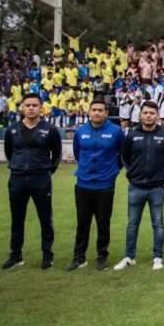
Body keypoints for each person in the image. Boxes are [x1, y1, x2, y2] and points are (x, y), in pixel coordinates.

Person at [1, 92, 63, 270]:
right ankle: (16, 256)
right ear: (22, 107)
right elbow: (9, 152)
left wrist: (46, 170)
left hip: (41, 179)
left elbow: (57, 155)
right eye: (27, 105)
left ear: (41, 108)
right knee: (17, 219)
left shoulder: (50, 130)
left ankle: (47, 256)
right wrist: (18, 167)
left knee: (45, 219)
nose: (30, 108)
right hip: (17, 178)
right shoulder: (12, 130)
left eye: (34, 105)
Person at [114, 101, 164, 271]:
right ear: (140, 115)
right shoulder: (132, 135)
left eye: (152, 113)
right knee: (132, 224)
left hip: (156, 188)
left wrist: (163, 173)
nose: (149, 116)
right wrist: (132, 172)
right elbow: (124, 157)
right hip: (135, 186)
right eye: (146, 113)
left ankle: (158, 257)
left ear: (157, 115)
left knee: (158, 224)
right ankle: (129, 256)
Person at [67, 97, 125, 271]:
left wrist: (112, 172)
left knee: (103, 223)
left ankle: (102, 255)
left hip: (105, 185)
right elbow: (78, 154)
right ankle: (79, 257)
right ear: (89, 112)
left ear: (106, 113)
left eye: (100, 110)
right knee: (82, 223)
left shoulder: (116, 131)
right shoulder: (80, 131)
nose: (97, 113)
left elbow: (122, 156)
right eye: (94, 110)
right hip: (83, 184)